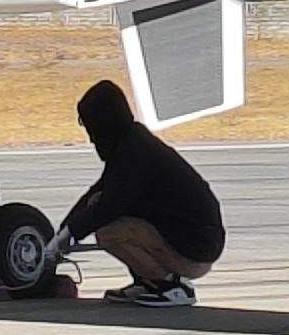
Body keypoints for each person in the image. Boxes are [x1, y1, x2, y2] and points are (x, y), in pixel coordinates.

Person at [59, 80, 224, 307]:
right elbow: (97, 191)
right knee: (105, 211)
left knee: (109, 232)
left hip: (196, 246)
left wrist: (69, 234)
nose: (90, 138)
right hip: (196, 238)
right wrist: (62, 233)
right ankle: (148, 282)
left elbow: (109, 205)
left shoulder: (136, 155)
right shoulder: (131, 144)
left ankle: (170, 286)